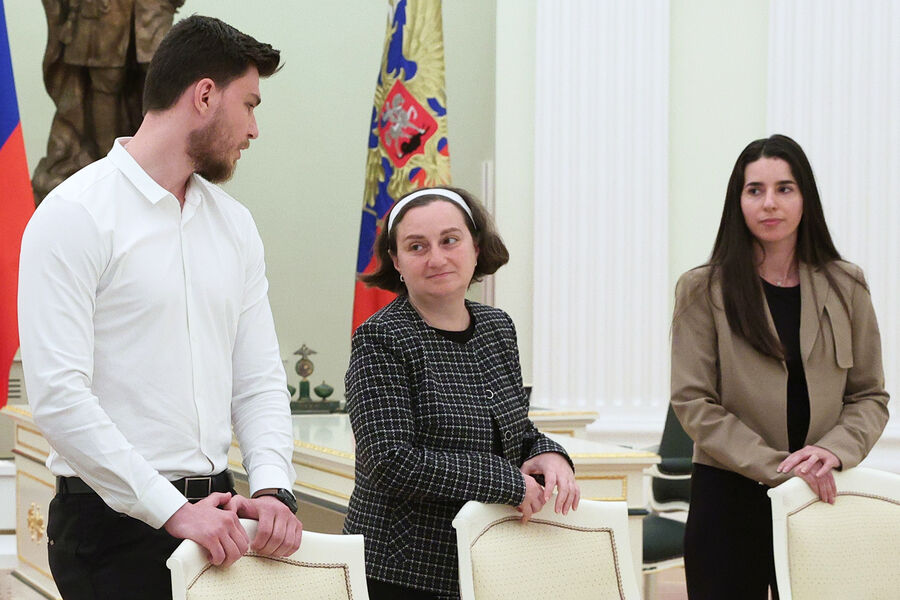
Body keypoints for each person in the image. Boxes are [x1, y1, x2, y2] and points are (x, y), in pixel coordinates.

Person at [18, 15, 302, 600]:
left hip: (220, 519)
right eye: (249, 105)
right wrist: (172, 509)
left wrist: (273, 487)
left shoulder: (235, 225)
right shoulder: (74, 215)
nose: (254, 129)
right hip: (110, 528)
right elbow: (59, 396)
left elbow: (258, 379)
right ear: (205, 96)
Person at [670, 134, 890, 599]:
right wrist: (779, 467)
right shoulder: (701, 289)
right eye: (755, 190)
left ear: (805, 197)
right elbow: (693, 402)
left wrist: (831, 451)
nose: (769, 203)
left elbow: (869, 396)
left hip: (820, 495)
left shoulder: (847, 285)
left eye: (784, 188)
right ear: (739, 201)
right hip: (727, 499)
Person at [344, 187, 581, 600]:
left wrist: (548, 452)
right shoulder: (381, 337)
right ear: (397, 261)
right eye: (417, 246)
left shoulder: (497, 327)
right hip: (403, 571)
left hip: (490, 557)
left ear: (476, 247)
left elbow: (512, 430)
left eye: (449, 240)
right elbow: (390, 462)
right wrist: (508, 481)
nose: (436, 258)